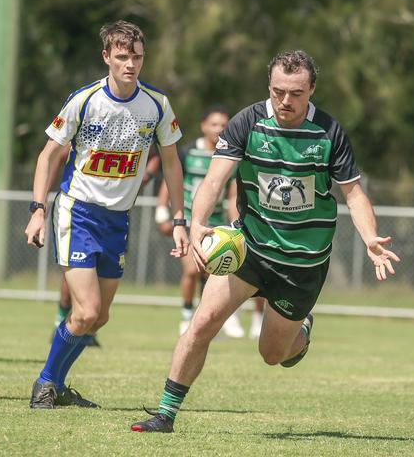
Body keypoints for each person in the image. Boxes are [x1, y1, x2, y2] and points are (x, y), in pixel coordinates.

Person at [131, 50, 400, 432]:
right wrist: (198, 225)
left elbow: (353, 194)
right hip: (250, 248)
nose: (285, 101)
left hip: (302, 264)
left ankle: (301, 330)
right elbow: (214, 179)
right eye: (278, 92)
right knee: (203, 321)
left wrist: (370, 237)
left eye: (295, 93)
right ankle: (165, 414)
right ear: (268, 87)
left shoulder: (329, 132)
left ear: (311, 90)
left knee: (273, 355)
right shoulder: (247, 122)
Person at [25, 20, 189, 409]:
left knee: (99, 319)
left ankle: (57, 386)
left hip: (118, 219)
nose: (130, 64)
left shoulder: (158, 105)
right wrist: (37, 209)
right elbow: (48, 154)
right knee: (87, 311)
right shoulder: (85, 100)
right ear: (106, 58)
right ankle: (45, 385)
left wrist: (180, 220)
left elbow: (172, 164)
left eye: (136, 56)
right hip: (77, 212)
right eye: (121, 57)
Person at [155, 105, 265, 339]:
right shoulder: (188, 153)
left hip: (215, 225)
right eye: (214, 124)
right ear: (203, 126)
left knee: (219, 270)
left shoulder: (231, 156)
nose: (219, 129)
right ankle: (186, 317)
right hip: (187, 222)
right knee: (192, 270)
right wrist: (162, 212)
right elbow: (170, 182)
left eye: (224, 125)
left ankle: (224, 317)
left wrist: (236, 226)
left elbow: (233, 194)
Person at [50, 150, 162, 348]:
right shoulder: (89, 121)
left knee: (99, 317)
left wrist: (147, 173)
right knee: (85, 307)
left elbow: (159, 154)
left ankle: (83, 331)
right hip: (81, 213)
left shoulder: (144, 123)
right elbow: (57, 153)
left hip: (116, 217)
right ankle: (60, 323)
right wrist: (40, 202)